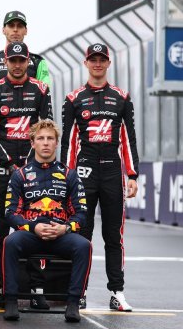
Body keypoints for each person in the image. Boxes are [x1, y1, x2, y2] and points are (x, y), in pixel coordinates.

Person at [61, 43, 138, 311]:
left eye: (101, 59)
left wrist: (132, 174)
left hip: (113, 172)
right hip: (84, 171)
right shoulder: (73, 98)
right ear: (86, 63)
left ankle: (117, 292)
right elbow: (68, 142)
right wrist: (66, 175)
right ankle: (78, 291)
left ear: (108, 63)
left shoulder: (122, 97)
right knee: (82, 233)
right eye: (92, 59)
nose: (97, 64)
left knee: (113, 235)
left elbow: (128, 139)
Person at [0, 41, 52, 309]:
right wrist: (9, 162)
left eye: (22, 61)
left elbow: (45, 129)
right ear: (6, 62)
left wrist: (29, 162)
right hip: (2, 167)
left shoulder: (41, 89)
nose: (18, 65)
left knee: (37, 222)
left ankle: (37, 288)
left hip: (34, 166)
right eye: (13, 60)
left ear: (28, 62)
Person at [3, 119, 90, 323]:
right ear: (32, 143)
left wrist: (65, 228)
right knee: (10, 242)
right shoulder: (19, 175)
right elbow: (10, 213)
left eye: (50, 138)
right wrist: (33, 227)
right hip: (31, 233)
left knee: (84, 245)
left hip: (60, 234)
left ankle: (73, 303)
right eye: (40, 138)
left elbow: (82, 213)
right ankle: (11, 301)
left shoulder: (69, 175)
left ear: (56, 143)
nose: (45, 143)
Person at [0, 10, 51, 108]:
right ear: (3, 30)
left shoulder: (38, 61)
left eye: (20, 26)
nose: (15, 30)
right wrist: (5, 113)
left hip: (31, 116)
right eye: (11, 26)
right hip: (1, 116)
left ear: (26, 31)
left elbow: (45, 94)